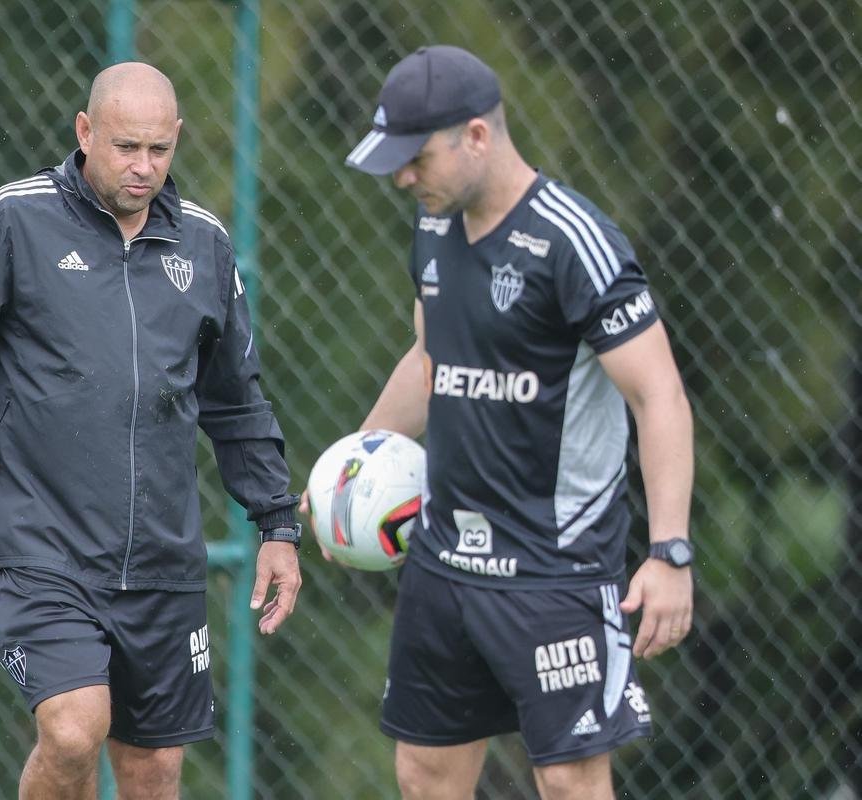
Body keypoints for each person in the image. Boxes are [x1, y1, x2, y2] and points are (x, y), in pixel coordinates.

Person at [0, 62, 302, 800]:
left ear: (176, 141)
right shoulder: (10, 221)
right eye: (124, 147)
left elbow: (237, 400)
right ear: (85, 132)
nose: (142, 168)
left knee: (154, 772)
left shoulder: (203, 243)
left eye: (158, 151)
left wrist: (275, 522)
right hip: (45, 551)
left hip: (164, 558)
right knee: (75, 729)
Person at [339, 46, 694, 799]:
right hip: (442, 563)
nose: (404, 179)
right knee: (425, 771)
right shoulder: (433, 228)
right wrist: (352, 467)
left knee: (567, 780)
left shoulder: (575, 242)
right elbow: (431, 358)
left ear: (476, 136)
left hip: (553, 568)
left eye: (417, 158)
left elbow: (658, 395)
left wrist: (669, 551)